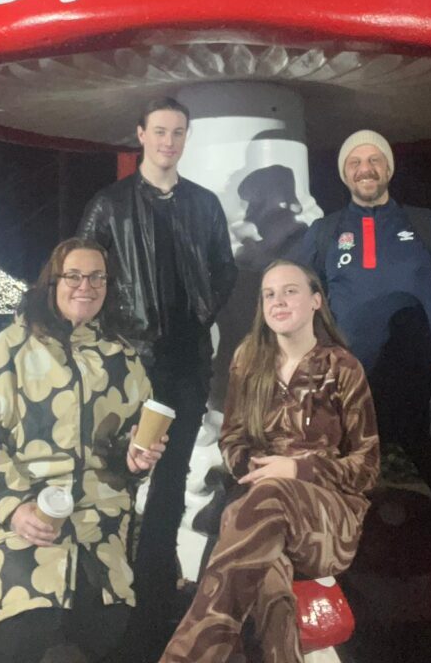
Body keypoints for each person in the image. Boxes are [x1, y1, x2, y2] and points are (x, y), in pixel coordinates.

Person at [0, 238, 165, 663]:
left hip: (95, 526)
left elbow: (124, 452)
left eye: (97, 277)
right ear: (52, 282)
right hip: (16, 522)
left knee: (108, 624)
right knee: (25, 625)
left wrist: (135, 460)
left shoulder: (123, 360)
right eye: (74, 276)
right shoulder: (10, 349)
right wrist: (14, 506)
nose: (86, 286)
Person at [77, 96, 237, 660]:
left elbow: (225, 265)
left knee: (168, 484)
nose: (169, 142)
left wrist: (202, 313)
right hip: (128, 364)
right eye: (160, 131)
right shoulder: (110, 205)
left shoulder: (202, 204)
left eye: (178, 133)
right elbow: (85, 270)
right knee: (114, 477)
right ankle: (103, 602)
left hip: (185, 361)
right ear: (140, 134)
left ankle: (150, 612)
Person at [160, 259, 380, 663]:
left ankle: (191, 652)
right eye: (269, 294)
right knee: (264, 567)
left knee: (263, 504)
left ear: (316, 301)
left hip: (329, 520)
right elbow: (233, 440)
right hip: (261, 505)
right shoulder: (249, 361)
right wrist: (258, 469)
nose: (278, 301)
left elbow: (367, 467)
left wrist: (296, 469)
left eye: (290, 291)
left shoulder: (342, 367)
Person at [296, 128, 431, 484]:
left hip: (421, 384)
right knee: (351, 487)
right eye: (356, 162)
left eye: (375, 159)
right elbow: (297, 298)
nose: (366, 168)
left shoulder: (425, 223)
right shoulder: (324, 232)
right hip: (348, 386)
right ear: (345, 174)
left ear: (388, 170)